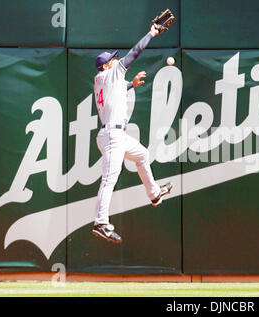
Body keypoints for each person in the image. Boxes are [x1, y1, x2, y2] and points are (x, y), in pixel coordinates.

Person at [92, 25, 173, 243]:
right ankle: (101, 222)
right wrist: (152, 33)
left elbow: (114, 93)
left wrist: (131, 84)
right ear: (106, 65)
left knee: (142, 155)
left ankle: (154, 193)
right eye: (112, 59)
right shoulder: (113, 71)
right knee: (109, 179)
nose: (115, 60)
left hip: (112, 134)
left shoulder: (100, 80)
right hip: (112, 136)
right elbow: (134, 53)